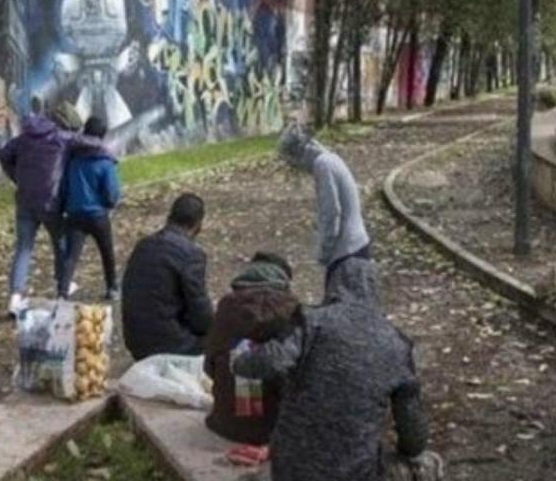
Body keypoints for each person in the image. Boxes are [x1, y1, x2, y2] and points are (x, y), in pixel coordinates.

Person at [232, 258, 439, 481]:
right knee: (427, 462)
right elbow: (414, 438)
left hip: (289, 469)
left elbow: (270, 362)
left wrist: (239, 362)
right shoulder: (398, 345)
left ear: (333, 287)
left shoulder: (312, 322)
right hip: (355, 473)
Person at [0, 102, 107, 317]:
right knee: (60, 242)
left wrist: (16, 177)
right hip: (51, 201)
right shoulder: (61, 137)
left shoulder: (24, 137)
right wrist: (107, 155)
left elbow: (4, 154)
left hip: (25, 200)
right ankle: (62, 285)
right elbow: (91, 144)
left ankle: (15, 298)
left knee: (23, 248)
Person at [204, 252, 300, 446]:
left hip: (225, 423)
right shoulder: (293, 309)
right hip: (275, 430)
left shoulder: (227, 306)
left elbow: (209, 365)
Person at [121, 193, 212, 361]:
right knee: (221, 339)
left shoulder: (143, 245)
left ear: (170, 217)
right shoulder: (191, 254)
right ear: (199, 225)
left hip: (136, 341)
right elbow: (201, 316)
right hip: (171, 344)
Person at [277, 124, 370, 280]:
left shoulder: (323, 165)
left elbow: (332, 213)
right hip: (356, 245)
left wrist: (324, 253)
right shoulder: (331, 159)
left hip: (347, 252)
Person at [59, 117, 122, 301]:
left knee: (71, 257)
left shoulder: (72, 157)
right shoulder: (104, 160)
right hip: (98, 215)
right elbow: (111, 191)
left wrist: (64, 205)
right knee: (107, 252)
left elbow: (64, 185)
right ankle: (112, 288)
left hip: (74, 214)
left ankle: (62, 292)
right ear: (102, 135)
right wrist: (109, 204)